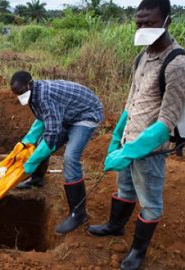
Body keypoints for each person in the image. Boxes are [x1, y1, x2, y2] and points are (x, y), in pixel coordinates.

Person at [88, 0, 185, 269]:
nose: (142, 28)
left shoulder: (177, 64)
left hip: (150, 149)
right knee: (125, 188)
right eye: (138, 23)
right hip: (129, 139)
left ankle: (138, 254)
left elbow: (167, 121)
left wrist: (131, 151)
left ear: (167, 21)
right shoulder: (141, 57)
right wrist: (117, 137)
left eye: (149, 23)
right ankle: (115, 226)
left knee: (150, 202)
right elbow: (131, 102)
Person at [10, 71, 104, 235]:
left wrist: (31, 162)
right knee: (39, 144)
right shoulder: (33, 93)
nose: (21, 96)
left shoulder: (46, 96)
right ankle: (36, 179)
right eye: (17, 94)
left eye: (21, 92)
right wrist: (27, 141)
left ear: (30, 84)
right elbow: (42, 120)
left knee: (70, 158)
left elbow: (52, 135)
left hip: (85, 114)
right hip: (67, 114)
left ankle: (78, 214)